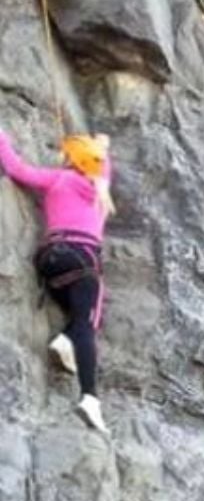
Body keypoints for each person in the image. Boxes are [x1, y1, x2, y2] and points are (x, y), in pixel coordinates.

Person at [0, 129, 115, 432]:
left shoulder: (57, 179)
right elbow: (103, 168)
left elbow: (15, 168)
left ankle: (65, 340)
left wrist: (0, 136)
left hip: (50, 259)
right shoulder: (100, 193)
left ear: (71, 159)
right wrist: (104, 146)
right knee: (89, 323)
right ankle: (90, 397)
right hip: (82, 258)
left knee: (80, 316)